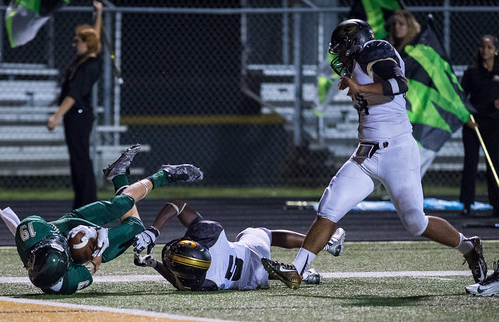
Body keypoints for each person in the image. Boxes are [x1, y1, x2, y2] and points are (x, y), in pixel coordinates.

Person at [261, 19, 488, 292]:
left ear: (355, 41)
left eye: (342, 47)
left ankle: (469, 246)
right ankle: (298, 269)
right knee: (330, 206)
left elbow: (398, 84)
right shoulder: (358, 61)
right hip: (365, 153)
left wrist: (360, 88)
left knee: (416, 222)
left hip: (397, 151)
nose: (340, 54)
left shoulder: (375, 50)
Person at [0, 144, 203, 295]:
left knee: (120, 205)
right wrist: (97, 244)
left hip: (68, 224)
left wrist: (77, 232)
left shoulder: (31, 234)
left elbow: (57, 227)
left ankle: (165, 175)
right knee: (134, 227)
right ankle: (119, 175)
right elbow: (94, 266)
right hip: (93, 249)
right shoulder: (68, 283)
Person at [131, 199, 346, 290]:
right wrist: (154, 231)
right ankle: (327, 245)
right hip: (251, 251)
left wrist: (156, 265)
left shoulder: (206, 282)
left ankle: (305, 275)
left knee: (259, 270)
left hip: (253, 282)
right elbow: (177, 205)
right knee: (263, 233)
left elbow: (180, 284)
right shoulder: (210, 234)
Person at [47, 0, 104, 208]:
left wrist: (56, 116)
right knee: (77, 159)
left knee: (80, 159)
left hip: (79, 115)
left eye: (77, 41)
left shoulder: (90, 65)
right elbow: (95, 38)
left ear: (85, 44)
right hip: (76, 115)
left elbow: (74, 94)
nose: (74, 44)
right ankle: (81, 201)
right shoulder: (87, 59)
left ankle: (86, 202)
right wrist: (99, 13)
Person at [459, 35, 499, 217]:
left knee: (494, 165)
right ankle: (467, 203)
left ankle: (496, 205)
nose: (485, 50)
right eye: (482, 47)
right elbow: (460, 98)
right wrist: (466, 119)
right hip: (473, 123)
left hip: (493, 123)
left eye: (489, 47)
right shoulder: (471, 73)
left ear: (496, 50)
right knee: (470, 163)